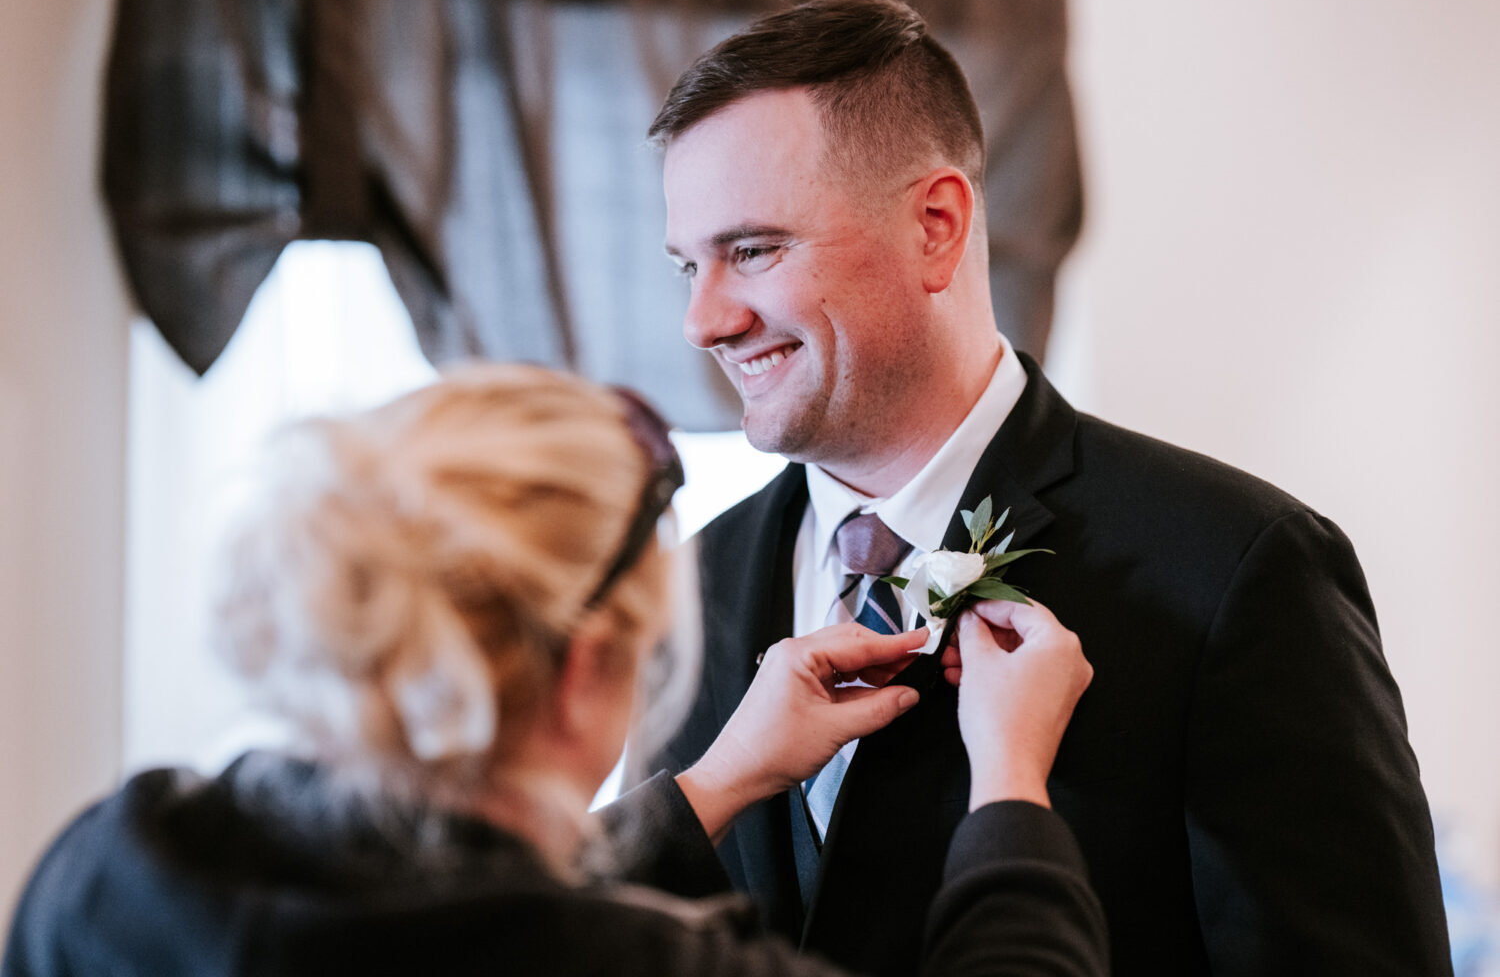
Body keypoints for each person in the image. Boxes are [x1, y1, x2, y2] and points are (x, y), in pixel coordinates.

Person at [637, 0, 1452, 977]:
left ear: (937, 225)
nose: (706, 320)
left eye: (753, 250)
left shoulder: (1234, 566)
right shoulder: (690, 588)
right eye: (689, 266)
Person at [2, 363, 1105, 977]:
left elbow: (465, 895)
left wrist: (717, 781)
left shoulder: (111, 869)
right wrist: (1009, 783)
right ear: (586, 669)